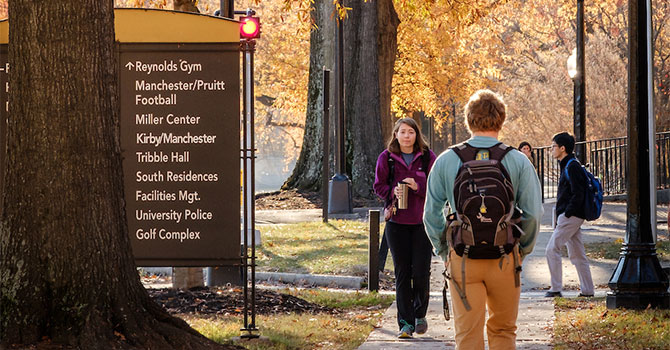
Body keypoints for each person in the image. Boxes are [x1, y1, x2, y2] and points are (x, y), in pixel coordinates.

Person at [423, 90, 542, 350]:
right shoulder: (517, 160)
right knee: (503, 330)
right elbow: (534, 213)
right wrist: (522, 251)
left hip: (463, 259)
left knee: (467, 335)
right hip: (505, 258)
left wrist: (444, 250)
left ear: (468, 120)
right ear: (502, 119)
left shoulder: (446, 160)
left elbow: (430, 214)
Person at [373, 117, 436, 339]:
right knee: (402, 272)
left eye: (411, 132)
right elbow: (378, 186)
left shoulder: (428, 156)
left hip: (422, 223)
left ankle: (420, 315)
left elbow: (436, 186)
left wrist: (418, 186)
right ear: (396, 135)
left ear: (416, 135)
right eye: (403, 132)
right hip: (397, 223)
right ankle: (405, 323)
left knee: (420, 271)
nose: (407, 136)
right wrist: (392, 192)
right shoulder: (387, 158)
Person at [544, 132, 595, 298]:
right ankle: (588, 290)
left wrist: (567, 213)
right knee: (577, 254)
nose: (551, 150)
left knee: (552, 249)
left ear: (562, 148)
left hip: (571, 217)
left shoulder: (572, 166)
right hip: (572, 216)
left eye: (553, 147)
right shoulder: (569, 164)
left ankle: (556, 288)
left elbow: (578, 193)